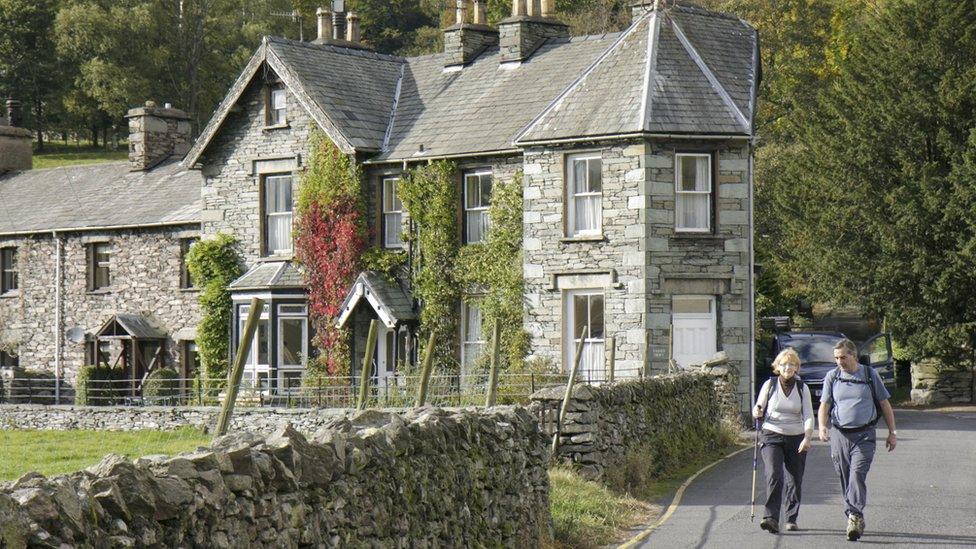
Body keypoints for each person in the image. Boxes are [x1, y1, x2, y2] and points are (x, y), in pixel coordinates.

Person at [818, 338, 897, 542]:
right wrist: (822, 426)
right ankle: (855, 515)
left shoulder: (870, 374)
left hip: (864, 435)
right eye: (836, 358)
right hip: (839, 435)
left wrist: (892, 432)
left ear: (853, 355)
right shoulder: (832, 376)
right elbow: (824, 406)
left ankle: (854, 515)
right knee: (844, 476)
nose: (839, 361)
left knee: (856, 474)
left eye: (843, 357)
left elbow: (885, 404)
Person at [753, 348, 814, 534]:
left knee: (795, 479)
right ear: (777, 367)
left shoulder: (802, 388)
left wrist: (807, 437)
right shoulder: (769, 385)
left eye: (792, 364)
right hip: (772, 434)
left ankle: (791, 518)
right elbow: (759, 405)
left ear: (797, 367)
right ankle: (770, 517)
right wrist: (757, 411)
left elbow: (809, 415)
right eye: (784, 364)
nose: (788, 367)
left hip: (796, 437)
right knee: (774, 474)